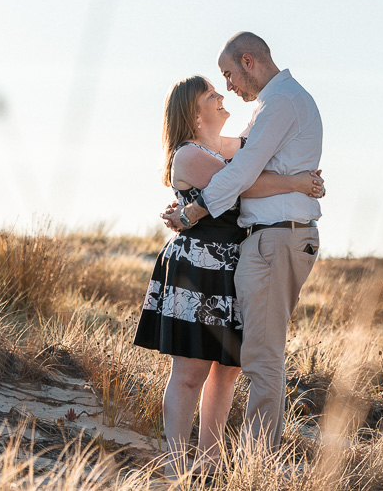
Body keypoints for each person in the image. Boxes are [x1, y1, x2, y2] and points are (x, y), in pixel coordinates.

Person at [134, 74, 324, 478]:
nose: (222, 97)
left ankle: (208, 464)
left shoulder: (221, 149)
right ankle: (175, 468)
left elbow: (256, 157)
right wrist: (296, 183)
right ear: (193, 111)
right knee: (190, 374)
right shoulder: (188, 155)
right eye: (210, 95)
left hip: (232, 269)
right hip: (198, 270)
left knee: (226, 372)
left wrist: (301, 175)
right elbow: (243, 186)